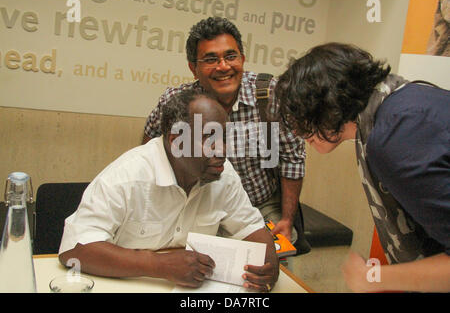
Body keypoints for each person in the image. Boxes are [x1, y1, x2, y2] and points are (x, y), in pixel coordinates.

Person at [59, 89, 279, 292]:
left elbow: (252, 228)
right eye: (209, 139)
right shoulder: (126, 177)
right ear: (177, 142)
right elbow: (74, 251)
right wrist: (158, 265)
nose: (222, 150)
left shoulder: (223, 174)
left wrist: (269, 265)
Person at [274, 42, 450, 292]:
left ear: (327, 104)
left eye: (300, 117)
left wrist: (375, 278)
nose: (295, 131)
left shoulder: (395, 135)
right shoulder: (404, 101)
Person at [142, 17, 310, 253]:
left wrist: (287, 218)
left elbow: (292, 159)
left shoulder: (270, 96)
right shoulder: (176, 102)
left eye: (231, 56)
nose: (223, 66)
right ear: (193, 68)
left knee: (271, 270)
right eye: (211, 59)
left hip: (261, 204)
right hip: (199, 205)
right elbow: (150, 152)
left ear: (242, 58)